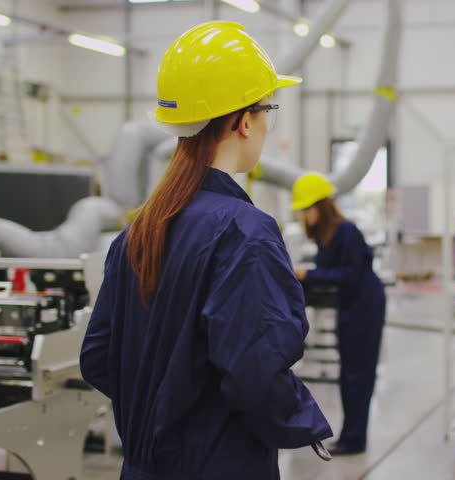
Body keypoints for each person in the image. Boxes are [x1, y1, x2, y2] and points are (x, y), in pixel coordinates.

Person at [80, 22, 332, 480]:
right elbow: (256, 370)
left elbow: (99, 356)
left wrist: (161, 414)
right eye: (268, 109)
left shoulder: (139, 230)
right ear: (244, 121)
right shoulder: (245, 233)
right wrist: (304, 421)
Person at [291, 173, 387, 455]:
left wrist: (308, 275)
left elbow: (350, 276)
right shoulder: (326, 236)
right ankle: (350, 435)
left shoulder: (346, 231)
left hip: (365, 306)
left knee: (358, 373)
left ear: (321, 206)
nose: (304, 216)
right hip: (350, 304)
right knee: (349, 372)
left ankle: (354, 439)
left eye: (307, 209)